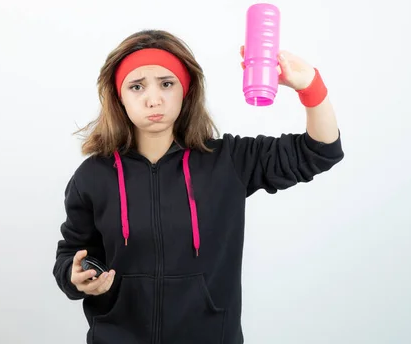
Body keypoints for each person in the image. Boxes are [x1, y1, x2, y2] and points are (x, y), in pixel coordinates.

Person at [52, 29, 344, 344]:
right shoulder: (92, 176)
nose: (154, 99)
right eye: (137, 86)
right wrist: (76, 276)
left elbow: (320, 151)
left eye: (167, 83)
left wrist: (311, 86)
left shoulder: (230, 160)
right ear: (118, 96)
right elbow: (71, 254)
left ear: (186, 90)